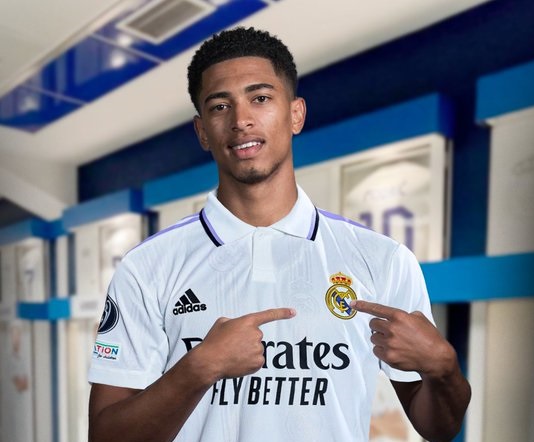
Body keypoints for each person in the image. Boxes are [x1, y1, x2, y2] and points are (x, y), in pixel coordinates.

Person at [88, 27, 470, 442]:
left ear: (296, 115)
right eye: (220, 106)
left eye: (260, 98)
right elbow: (106, 435)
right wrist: (198, 368)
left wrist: (444, 367)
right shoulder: (148, 267)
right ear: (202, 132)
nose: (241, 120)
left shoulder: (383, 259)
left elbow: (438, 428)